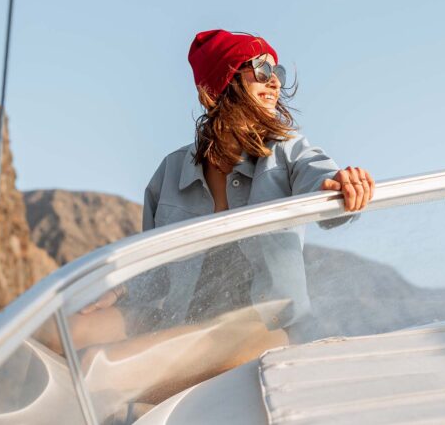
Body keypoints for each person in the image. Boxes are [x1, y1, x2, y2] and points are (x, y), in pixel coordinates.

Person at [60, 30, 375, 417]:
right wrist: (119, 292)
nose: (274, 79)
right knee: (59, 334)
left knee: (99, 366)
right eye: (260, 68)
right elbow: (156, 272)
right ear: (218, 87)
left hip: (263, 328)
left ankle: (130, 407)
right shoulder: (170, 172)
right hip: (180, 318)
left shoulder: (289, 152)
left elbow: (323, 182)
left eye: (276, 69)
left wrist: (341, 186)